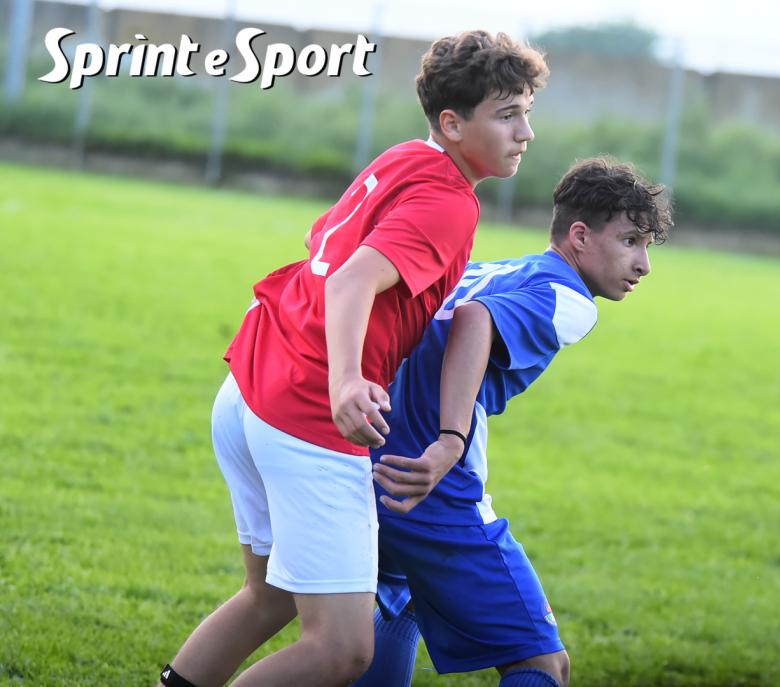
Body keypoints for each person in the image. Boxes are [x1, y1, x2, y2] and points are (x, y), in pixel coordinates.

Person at [158, 31, 548, 687]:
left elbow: (325, 249)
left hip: (251, 385)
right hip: (307, 412)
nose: (525, 132)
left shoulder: (405, 158)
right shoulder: (450, 201)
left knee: (269, 596)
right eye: (507, 114)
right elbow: (350, 280)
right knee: (341, 650)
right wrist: (345, 379)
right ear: (453, 123)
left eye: (526, 113)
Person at [354, 157, 673, 687]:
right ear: (579, 236)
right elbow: (475, 320)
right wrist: (450, 440)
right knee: (543, 664)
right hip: (429, 485)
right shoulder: (570, 299)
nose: (644, 265)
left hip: (365, 459)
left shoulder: (489, 269)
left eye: (647, 246)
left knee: (406, 596)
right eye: (630, 242)